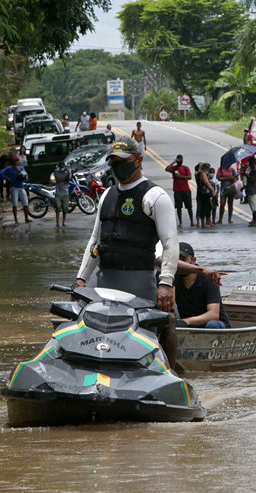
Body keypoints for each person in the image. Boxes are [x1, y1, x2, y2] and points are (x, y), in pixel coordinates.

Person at [75, 137, 180, 368]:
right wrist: (81, 279)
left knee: (166, 322)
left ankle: (171, 373)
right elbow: (95, 241)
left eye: (123, 160)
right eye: (113, 161)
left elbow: (171, 243)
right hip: (105, 281)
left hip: (140, 282)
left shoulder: (156, 197)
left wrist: (165, 283)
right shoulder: (106, 195)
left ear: (139, 160)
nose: (118, 165)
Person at [175, 242, 230, 329]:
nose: (181, 266)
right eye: (177, 261)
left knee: (212, 324)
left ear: (193, 260)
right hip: (185, 325)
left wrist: (186, 322)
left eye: (183, 260)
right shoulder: (172, 278)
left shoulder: (208, 278)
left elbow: (213, 314)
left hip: (211, 324)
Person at [0, 155, 30, 225]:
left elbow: (25, 176)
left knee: (25, 203)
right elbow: (0, 173)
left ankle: (26, 218)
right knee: (15, 204)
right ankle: (16, 220)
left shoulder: (21, 168)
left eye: (17, 160)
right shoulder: (9, 168)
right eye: (15, 160)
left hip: (21, 186)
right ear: (12, 161)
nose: (16, 162)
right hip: (14, 187)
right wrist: (7, 178)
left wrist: (18, 170)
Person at [166, 155, 194, 227]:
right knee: (178, 207)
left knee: (189, 207)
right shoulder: (174, 168)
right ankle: (180, 222)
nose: (180, 160)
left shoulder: (185, 168)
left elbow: (190, 177)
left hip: (186, 190)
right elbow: (166, 169)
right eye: (179, 159)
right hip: (177, 190)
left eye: (181, 159)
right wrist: (173, 162)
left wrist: (181, 177)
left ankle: (192, 221)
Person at [194, 162, 215, 228]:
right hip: (204, 193)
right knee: (206, 207)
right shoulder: (203, 174)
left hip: (200, 192)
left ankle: (208, 221)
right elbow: (206, 182)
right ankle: (204, 223)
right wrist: (212, 189)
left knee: (206, 206)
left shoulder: (198, 173)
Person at [245, 155, 256, 227]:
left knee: (255, 206)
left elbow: (253, 179)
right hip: (251, 189)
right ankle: (254, 219)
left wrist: (247, 175)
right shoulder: (252, 169)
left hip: (255, 189)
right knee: (252, 206)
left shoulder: (255, 170)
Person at [53, 161, 71, 227]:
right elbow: (58, 180)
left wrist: (68, 173)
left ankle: (63, 222)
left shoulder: (67, 172)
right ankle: (57, 222)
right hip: (58, 192)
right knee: (58, 208)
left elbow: (68, 180)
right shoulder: (56, 171)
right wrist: (64, 179)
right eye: (61, 166)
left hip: (65, 192)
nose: (62, 168)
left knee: (65, 208)